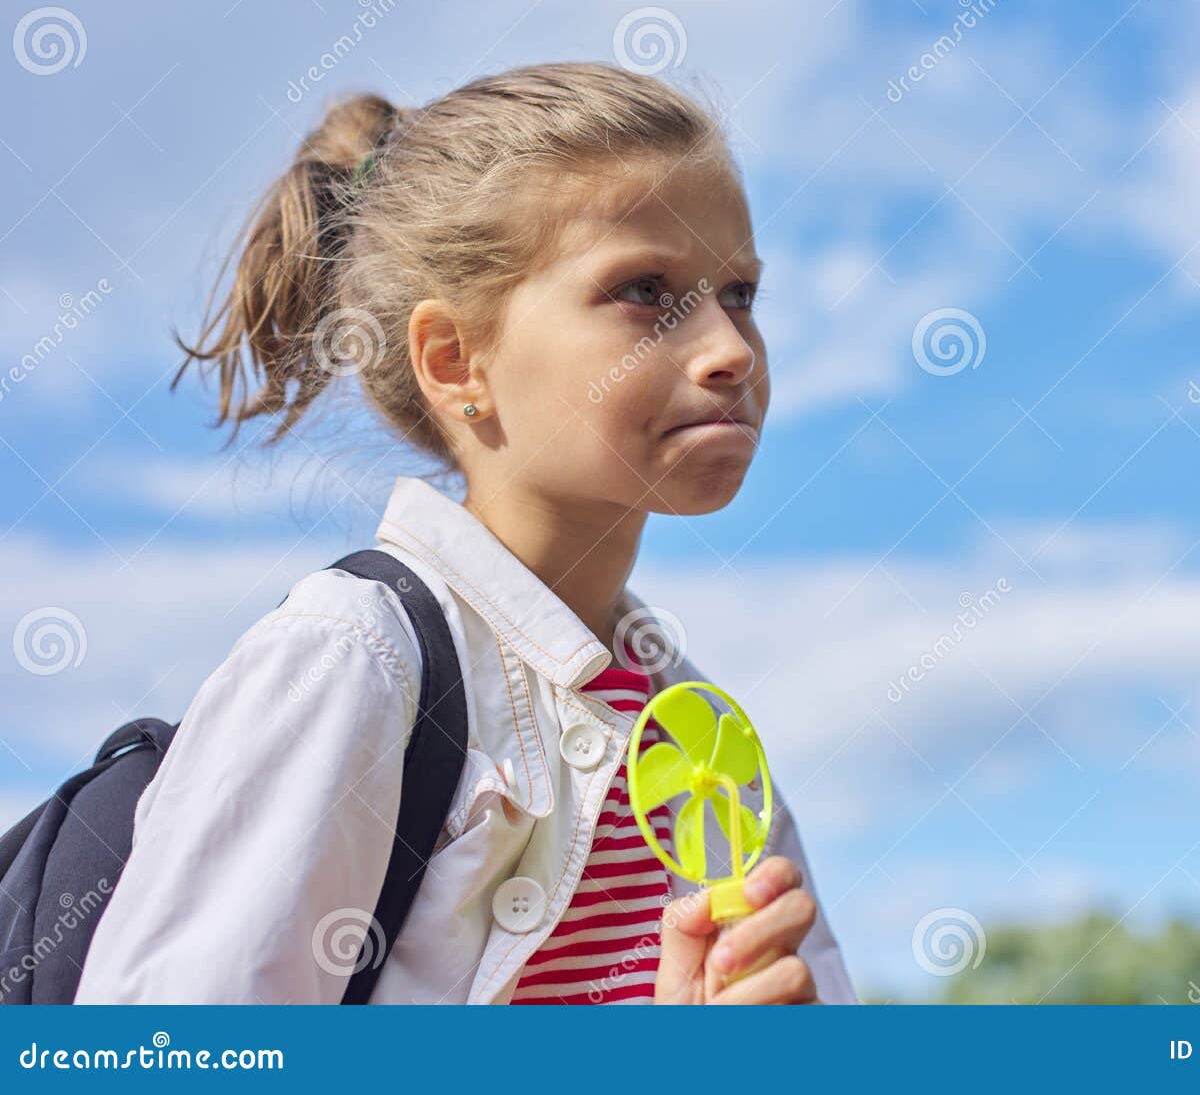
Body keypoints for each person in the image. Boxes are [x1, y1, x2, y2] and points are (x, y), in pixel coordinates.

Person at [75, 62, 855, 1005]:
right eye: (647, 291)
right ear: (455, 362)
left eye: (740, 293)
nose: (732, 350)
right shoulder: (355, 658)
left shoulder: (701, 735)